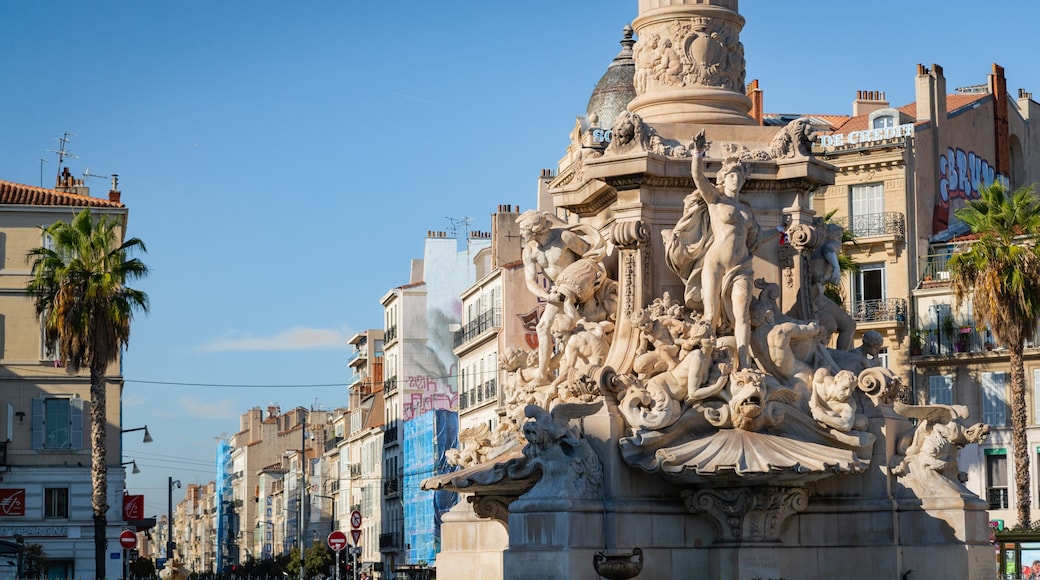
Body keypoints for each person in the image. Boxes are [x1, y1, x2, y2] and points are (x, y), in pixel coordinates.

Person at [687, 129, 780, 368]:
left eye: (739, 177)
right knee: (711, 315)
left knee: (742, 316)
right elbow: (698, 177)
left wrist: (780, 231)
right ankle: (707, 363)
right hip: (715, 263)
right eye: (731, 176)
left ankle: (744, 364)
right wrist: (698, 152)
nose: (736, 180)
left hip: (741, 266)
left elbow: (756, 238)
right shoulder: (715, 200)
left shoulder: (746, 210)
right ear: (723, 179)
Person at [518, 210, 607, 385]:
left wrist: (600, 274)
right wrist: (546, 295)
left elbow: (591, 254)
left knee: (583, 326)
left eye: (523, 229)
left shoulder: (564, 237)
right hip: (558, 291)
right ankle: (542, 375)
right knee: (543, 327)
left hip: (580, 285)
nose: (521, 233)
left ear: (535, 229)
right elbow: (530, 281)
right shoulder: (529, 251)